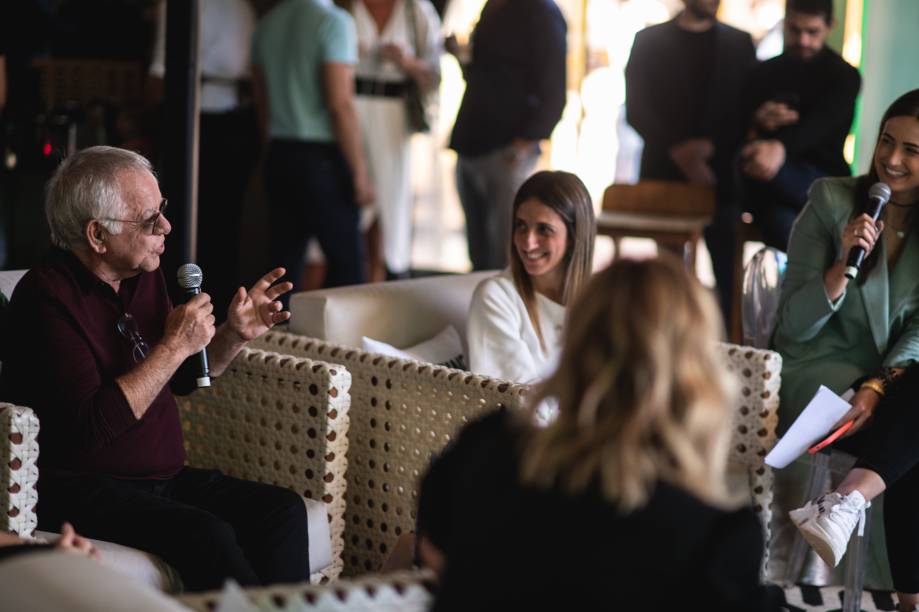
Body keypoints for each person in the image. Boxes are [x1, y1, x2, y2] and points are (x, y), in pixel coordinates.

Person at [0, 146, 310, 592]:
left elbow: (180, 379)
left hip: (163, 478)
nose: (165, 227)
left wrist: (232, 336)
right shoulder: (47, 299)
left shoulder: (142, 272)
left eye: (162, 210)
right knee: (208, 534)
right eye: (148, 220)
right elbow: (91, 426)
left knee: (281, 511)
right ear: (97, 235)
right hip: (82, 487)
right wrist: (174, 344)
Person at [418, 256, 784, 610]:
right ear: (697, 376)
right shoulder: (714, 544)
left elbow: (433, 550)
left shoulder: (485, 447)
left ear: (576, 344)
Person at [777, 88, 919, 611]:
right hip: (817, 375)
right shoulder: (831, 199)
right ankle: (911, 599)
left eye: (913, 150)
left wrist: (880, 384)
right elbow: (791, 329)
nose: (893, 160)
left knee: (912, 425)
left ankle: (844, 502)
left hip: (892, 384)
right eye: (887, 141)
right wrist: (840, 266)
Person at [625, 0, 756, 321]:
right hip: (663, 173)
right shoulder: (648, 41)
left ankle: (728, 351)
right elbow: (637, 108)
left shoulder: (739, 43)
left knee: (727, 273)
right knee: (667, 277)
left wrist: (708, 148)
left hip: (720, 176)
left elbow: (747, 109)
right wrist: (679, 151)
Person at [251, 0, 373, 299]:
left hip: (280, 152)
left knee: (282, 269)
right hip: (322, 158)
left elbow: (261, 101)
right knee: (348, 267)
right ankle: (345, 346)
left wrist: (271, 150)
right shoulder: (334, 21)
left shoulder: (267, 23)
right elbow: (339, 104)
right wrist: (359, 173)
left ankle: (274, 343)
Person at [148, 0, 260, 321]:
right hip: (219, 118)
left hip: (206, 120)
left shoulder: (191, 6)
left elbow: (158, 74)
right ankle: (205, 307)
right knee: (215, 222)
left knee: (193, 219)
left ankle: (194, 306)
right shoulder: (241, 7)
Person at [447, 0, 567, 272]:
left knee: (508, 253)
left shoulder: (542, 12)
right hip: (472, 141)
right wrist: (460, 55)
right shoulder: (492, 8)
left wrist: (524, 143)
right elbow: (486, 76)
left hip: (508, 147)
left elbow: (553, 90)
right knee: (478, 255)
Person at [737, 0, 860, 252]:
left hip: (821, 178)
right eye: (795, 30)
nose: (803, 40)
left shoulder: (844, 77)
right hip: (771, 188)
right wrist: (757, 121)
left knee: (790, 221)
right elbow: (738, 127)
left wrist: (779, 147)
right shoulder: (762, 74)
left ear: (829, 27)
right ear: (785, 24)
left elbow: (821, 125)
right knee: (782, 224)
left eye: (812, 32)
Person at [466, 170, 595, 385]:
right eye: (521, 226)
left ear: (573, 237)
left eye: (544, 230)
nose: (528, 243)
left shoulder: (600, 299)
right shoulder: (496, 297)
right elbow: (515, 396)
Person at [349, 0, 442, 280]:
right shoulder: (345, 7)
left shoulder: (417, 11)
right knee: (351, 198)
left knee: (391, 203)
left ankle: (387, 275)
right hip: (349, 109)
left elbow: (435, 75)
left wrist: (407, 62)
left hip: (393, 114)